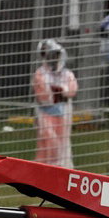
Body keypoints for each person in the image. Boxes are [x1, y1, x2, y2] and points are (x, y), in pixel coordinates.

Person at [32, 38, 77, 168]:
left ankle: (63, 168)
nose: (54, 59)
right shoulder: (41, 73)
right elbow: (43, 95)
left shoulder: (67, 74)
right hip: (46, 113)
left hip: (63, 113)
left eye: (56, 55)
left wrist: (61, 91)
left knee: (63, 143)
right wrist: (59, 92)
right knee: (48, 140)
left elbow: (71, 90)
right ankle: (43, 168)